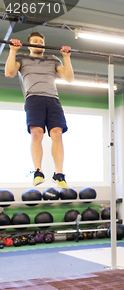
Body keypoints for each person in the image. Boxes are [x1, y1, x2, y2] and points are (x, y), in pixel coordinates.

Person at [5, 32, 74, 188]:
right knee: (37, 133)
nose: (39, 43)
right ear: (29, 45)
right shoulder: (22, 59)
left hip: (53, 99)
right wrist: (13, 50)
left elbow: (69, 78)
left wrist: (66, 57)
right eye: (35, 41)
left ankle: (59, 173)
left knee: (57, 133)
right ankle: (38, 171)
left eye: (41, 41)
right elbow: (9, 73)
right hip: (34, 98)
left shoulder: (52, 60)